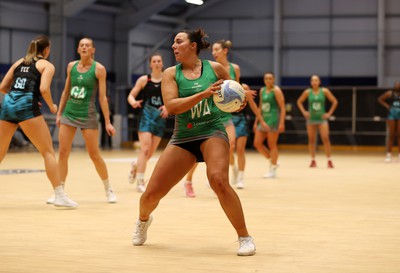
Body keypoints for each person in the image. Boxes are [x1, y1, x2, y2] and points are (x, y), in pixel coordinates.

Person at [132, 29, 256, 256]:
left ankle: (244, 237)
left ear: (193, 46)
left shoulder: (215, 68)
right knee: (150, 195)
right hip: (183, 138)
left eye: (179, 41)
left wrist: (240, 99)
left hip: (212, 131)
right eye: (173, 42)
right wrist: (204, 94)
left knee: (218, 180)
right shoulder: (171, 74)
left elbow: (232, 94)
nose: (173, 46)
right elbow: (172, 106)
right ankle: (143, 221)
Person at [0, 35, 77, 208]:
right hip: (26, 106)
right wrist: (52, 106)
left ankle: (59, 194)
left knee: (0, 152)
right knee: (48, 151)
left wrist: (17, 97)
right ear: (47, 50)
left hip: (8, 105)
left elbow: (2, 87)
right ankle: (59, 195)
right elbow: (44, 88)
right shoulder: (47, 65)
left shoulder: (18, 62)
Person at [46, 37, 117, 204]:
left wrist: (107, 121)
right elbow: (65, 91)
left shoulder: (99, 69)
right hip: (69, 113)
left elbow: (102, 98)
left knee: (94, 155)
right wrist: (59, 114)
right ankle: (59, 192)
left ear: (93, 50)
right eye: (81, 45)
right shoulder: (71, 66)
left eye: (87, 45)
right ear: (78, 49)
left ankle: (108, 189)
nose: (84, 47)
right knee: (63, 153)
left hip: (88, 114)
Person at [127, 53, 168, 192]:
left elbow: (174, 97)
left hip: (160, 118)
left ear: (162, 63)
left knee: (149, 154)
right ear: (150, 64)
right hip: (146, 116)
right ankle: (140, 182)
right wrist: (133, 102)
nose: (157, 63)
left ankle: (135, 165)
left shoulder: (168, 80)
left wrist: (168, 107)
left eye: (159, 61)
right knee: (144, 149)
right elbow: (131, 95)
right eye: (154, 61)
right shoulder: (144, 80)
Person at [297, 74, 338, 168]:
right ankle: (313, 160)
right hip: (311, 119)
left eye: (316, 80)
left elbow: (334, 101)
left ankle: (329, 160)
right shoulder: (307, 92)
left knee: (325, 138)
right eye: (312, 80)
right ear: (310, 82)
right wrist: (304, 112)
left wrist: (329, 113)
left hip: (322, 119)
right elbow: (299, 101)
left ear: (319, 82)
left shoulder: (324, 91)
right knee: (311, 140)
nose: (314, 82)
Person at [253, 72, 286, 178]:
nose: (268, 80)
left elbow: (282, 107)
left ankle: (273, 169)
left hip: (273, 119)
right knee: (257, 143)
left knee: (272, 144)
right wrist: (256, 121)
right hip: (263, 119)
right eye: (266, 78)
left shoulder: (276, 90)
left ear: (274, 79)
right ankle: (273, 161)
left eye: (270, 78)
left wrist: (281, 123)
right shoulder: (262, 90)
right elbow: (260, 106)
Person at [378, 81, 400, 162]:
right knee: (391, 134)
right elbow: (380, 99)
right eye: (396, 85)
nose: (397, 86)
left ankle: (399, 155)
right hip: (392, 114)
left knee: (399, 135)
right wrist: (387, 106)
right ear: (394, 86)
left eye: (398, 85)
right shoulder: (390, 93)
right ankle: (388, 154)